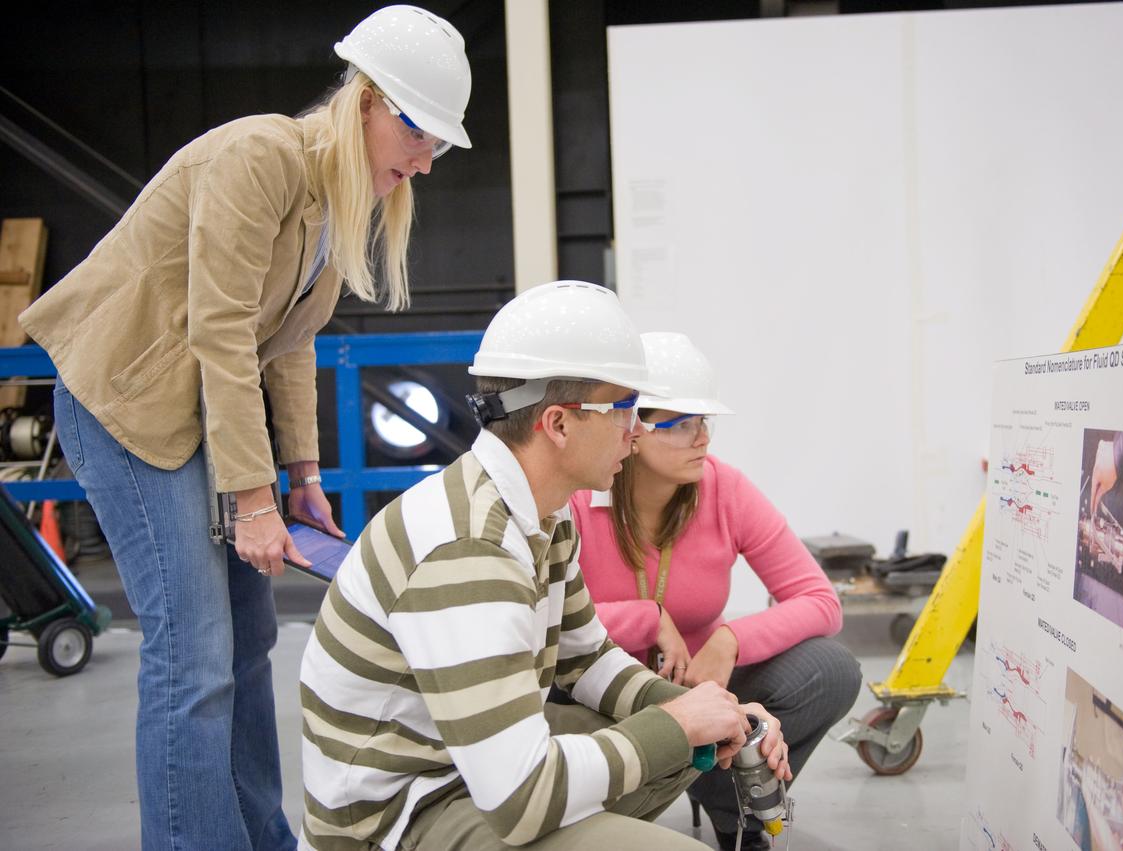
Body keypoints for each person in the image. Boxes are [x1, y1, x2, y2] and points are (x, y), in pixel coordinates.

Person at [18, 7, 472, 849]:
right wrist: (252, 499)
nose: (426, 162)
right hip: (122, 401)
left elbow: (288, 347)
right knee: (192, 654)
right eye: (420, 136)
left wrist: (301, 478)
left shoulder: (337, 199)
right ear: (368, 101)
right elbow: (221, 330)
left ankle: (261, 834)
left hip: (191, 407)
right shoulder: (257, 158)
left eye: (439, 146)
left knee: (250, 636)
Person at [299, 282, 791, 851]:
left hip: (465, 770)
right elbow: (522, 799)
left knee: (678, 746)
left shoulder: (544, 514)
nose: (636, 432)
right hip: (399, 817)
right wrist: (678, 724)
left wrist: (715, 712)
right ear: (558, 424)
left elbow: (588, 659)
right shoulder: (468, 550)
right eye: (625, 408)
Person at [570, 332, 862, 851]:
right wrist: (647, 616)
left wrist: (728, 640)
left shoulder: (723, 488)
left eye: (704, 422)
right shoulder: (574, 499)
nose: (701, 439)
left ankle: (729, 803)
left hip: (703, 683)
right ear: (629, 429)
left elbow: (820, 602)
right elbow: (541, 616)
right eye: (682, 424)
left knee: (831, 669)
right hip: (599, 689)